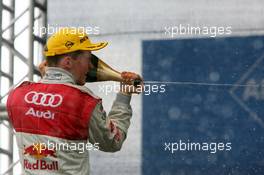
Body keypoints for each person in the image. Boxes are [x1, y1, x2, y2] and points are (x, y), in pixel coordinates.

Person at [6, 27, 143, 175]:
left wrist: (51, 80)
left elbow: (46, 109)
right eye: (88, 60)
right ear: (68, 62)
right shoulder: (84, 101)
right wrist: (124, 94)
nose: (91, 67)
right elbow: (112, 142)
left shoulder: (16, 96)